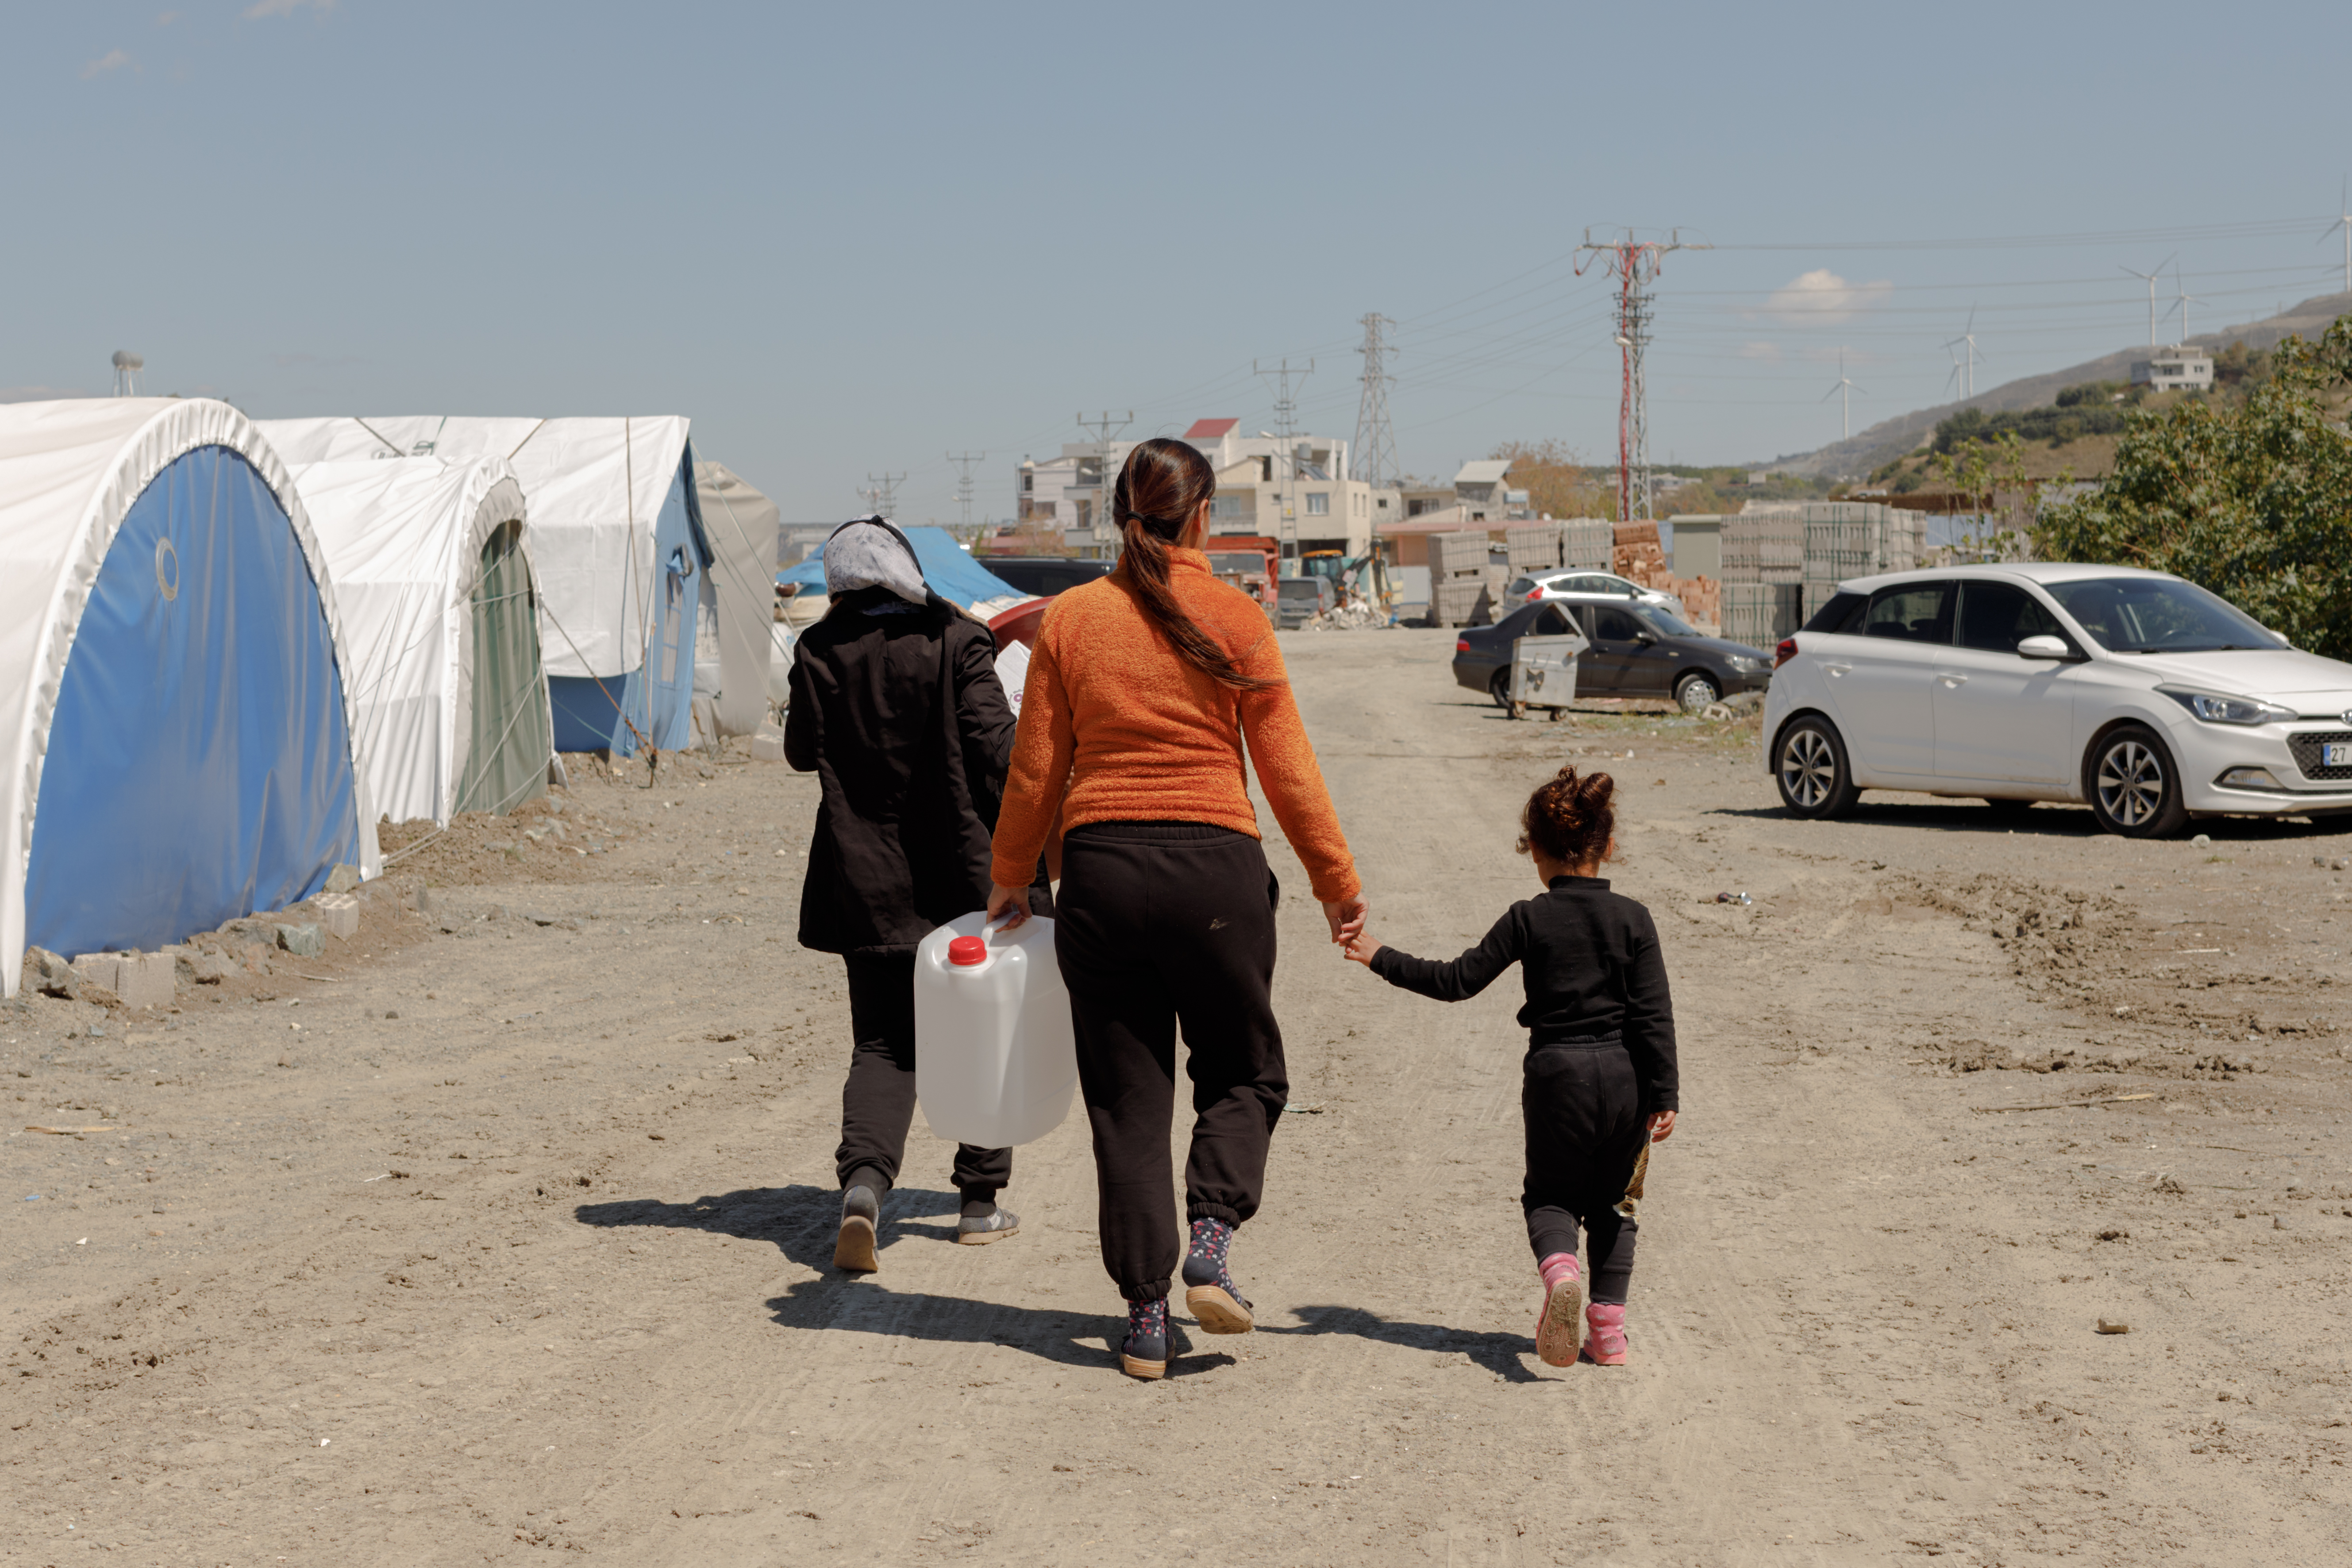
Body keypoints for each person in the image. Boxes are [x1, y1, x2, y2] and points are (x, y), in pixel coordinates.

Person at [986, 438, 1366, 1381]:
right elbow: (1289, 771)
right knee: (1244, 1070)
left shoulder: (1071, 620)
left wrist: (1009, 874)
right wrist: (1338, 888)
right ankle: (1212, 1235)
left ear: (1119, 514)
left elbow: (1037, 770)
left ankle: (1147, 1317)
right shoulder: (1236, 617)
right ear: (1201, 517)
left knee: (1127, 1102)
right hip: (1217, 873)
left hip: (1103, 875)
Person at [1343, 765, 1677, 1369]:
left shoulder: (1529, 917)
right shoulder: (1635, 918)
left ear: (1537, 851)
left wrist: (1379, 956)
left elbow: (1456, 981)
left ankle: (1561, 1279)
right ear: (1608, 846)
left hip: (1557, 1078)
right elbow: (1654, 1014)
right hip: (1626, 1079)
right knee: (1615, 1205)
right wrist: (1665, 1092)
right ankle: (1608, 1336)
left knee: (1551, 1198)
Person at [785, 516, 1037, 1271]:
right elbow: (998, 751)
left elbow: (802, 754)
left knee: (885, 1045)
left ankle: (864, 1191)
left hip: (866, 884)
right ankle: (980, 1205)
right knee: (980, 1036)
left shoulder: (817, 649)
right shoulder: (959, 642)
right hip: (965, 878)